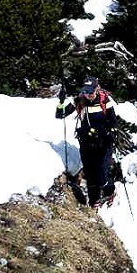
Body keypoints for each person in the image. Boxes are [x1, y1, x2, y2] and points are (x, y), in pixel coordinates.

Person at [55, 76, 117, 206]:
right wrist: (61, 101)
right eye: (85, 91)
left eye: (90, 92)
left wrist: (102, 132)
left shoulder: (105, 100)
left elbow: (112, 122)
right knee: (90, 176)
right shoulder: (79, 100)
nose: (87, 95)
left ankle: (110, 191)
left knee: (101, 175)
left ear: (97, 89)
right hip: (86, 144)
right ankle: (94, 201)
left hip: (103, 144)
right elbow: (60, 115)